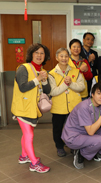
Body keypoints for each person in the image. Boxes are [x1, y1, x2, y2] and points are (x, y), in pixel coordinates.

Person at [11, 43, 51, 173]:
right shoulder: (24, 68)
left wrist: (44, 80)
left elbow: (47, 90)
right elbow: (23, 87)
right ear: (31, 54)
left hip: (31, 108)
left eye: (42, 53)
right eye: (36, 52)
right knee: (29, 135)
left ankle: (24, 156)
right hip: (22, 108)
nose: (39, 55)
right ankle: (34, 163)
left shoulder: (41, 69)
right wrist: (38, 78)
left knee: (27, 133)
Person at [61, 82, 101, 169]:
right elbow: (91, 132)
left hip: (86, 132)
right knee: (99, 140)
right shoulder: (84, 107)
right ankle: (81, 153)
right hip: (74, 137)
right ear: (92, 94)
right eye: (99, 93)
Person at [48, 48, 85, 157]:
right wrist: (66, 84)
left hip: (74, 106)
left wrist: (71, 83)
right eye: (61, 56)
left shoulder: (76, 71)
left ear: (68, 57)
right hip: (58, 107)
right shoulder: (51, 74)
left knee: (74, 128)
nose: (64, 58)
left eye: (66, 56)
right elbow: (53, 91)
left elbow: (81, 87)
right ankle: (59, 147)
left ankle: (74, 146)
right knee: (57, 128)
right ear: (56, 58)